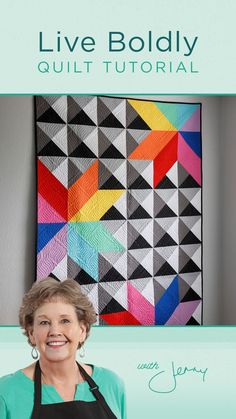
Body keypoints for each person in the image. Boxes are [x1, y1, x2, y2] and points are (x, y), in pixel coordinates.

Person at [0, 278, 126, 419]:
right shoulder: (6, 391)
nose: (54, 331)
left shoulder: (111, 384)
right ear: (31, 333)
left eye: (65, 321)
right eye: (44, 322)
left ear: (82, 331)